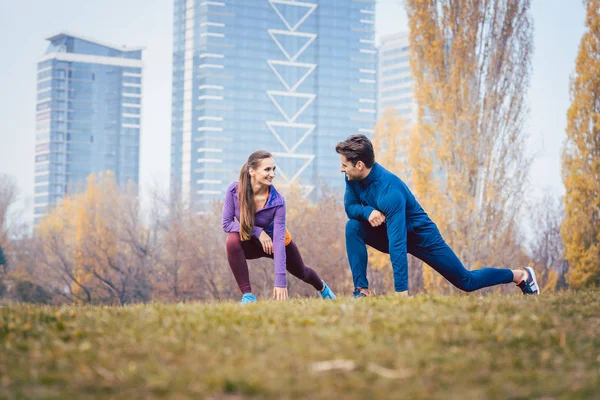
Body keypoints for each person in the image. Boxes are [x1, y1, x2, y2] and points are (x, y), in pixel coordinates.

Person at [335, 134, 540, 298]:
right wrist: (367, 211)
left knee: (466, 282)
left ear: (359, 165)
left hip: (421, 236)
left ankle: (520, 275)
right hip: (388, 232)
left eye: (344, 164)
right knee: (353, 227)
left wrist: (401, 295)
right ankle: (361, 291)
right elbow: (350, 207)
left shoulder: (390, 192)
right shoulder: (351, 178)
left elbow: (398, 245)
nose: (341, 168)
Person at [222, 150, 337, 303]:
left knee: (302, 271)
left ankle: (323, 289)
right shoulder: (234, 191)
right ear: (252, 171)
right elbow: (227, 223)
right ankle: (247, 295)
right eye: (267, 169)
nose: (272, 174)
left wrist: (280, 282)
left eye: (273, 169)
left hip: (277, 243)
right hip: (251, 243)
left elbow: (278, 241)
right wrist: (258, 232)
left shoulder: (278, 202)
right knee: (232, 240)